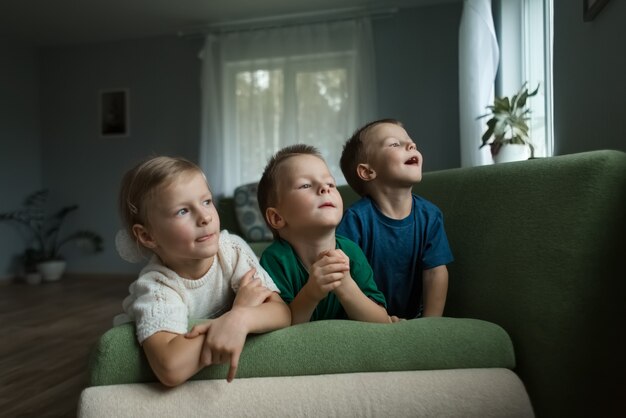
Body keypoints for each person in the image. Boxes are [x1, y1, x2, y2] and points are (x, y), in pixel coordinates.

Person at [116, 156, 291, 387]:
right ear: (148, 236)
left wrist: (240, 319)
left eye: (207, 201)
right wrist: (234, 316)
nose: (205, 217)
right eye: (182, 211)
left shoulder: (232, 250)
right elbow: (171, 367)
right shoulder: (157, 286)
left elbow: (281, 313)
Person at [257, 144, 390, 325]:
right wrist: (312, 293)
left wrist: (346, 286)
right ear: (277, 217)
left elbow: (382, 321)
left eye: (330, 184)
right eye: (305, 185)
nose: (324, 188)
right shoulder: (275, 260)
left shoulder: (351, 253)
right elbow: (280, 329)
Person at [336, 119, 454, 320]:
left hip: (412, 318)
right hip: (363, 319)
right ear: (367, 171)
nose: (411, 145)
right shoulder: (356, 219)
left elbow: (435, 273)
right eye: (394, 144)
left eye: (411, 142)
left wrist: (431, 324)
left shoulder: (430, 216)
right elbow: (343, 276)